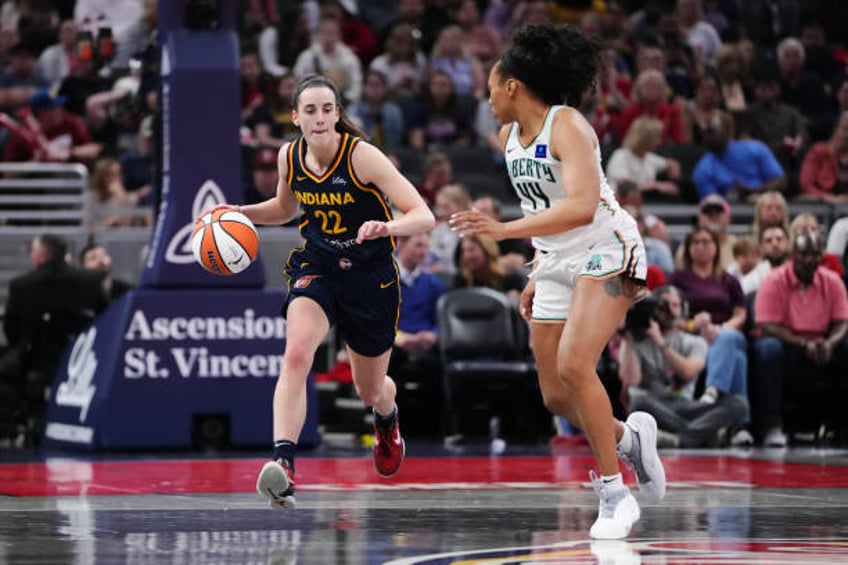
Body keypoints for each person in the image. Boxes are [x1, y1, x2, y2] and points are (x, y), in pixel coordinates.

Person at [448, 23, 666, 540]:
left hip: (606, 249)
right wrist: (537, 269)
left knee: (575, 364)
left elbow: (581, 205)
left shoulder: (567, 125)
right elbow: (541, 209)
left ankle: (615, 493)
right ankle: (630, 441)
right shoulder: (508, 138)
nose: (488, 103)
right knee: (553, 394)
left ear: (511, 86)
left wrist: (503, 230)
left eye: (490, 91)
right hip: (556, 258)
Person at [218, 75, 435, 509]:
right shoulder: (289, 156)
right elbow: (285, 208)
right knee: (297, 352)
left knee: (370, 391)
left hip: (370, 277)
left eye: (327, 109)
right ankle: (284, 463)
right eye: (310, 111)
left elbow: (424, 215)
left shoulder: (362, 158)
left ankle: (387, 420)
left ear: (337, 114)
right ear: (295, 117)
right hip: (317, 265)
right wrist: (238, 213)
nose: (319, 118)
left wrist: (388, 226)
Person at [2, 234, 108, 445]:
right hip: (83, 363)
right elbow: (105, 319)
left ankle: (9, 431)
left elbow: (11, 329)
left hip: (35, 361)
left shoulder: (22, 285)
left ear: (41, 256)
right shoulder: (91, 281)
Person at [618, 285, 749, 448]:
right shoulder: (636, 341)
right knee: (637, 400)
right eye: (663, 305)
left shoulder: (695, 342)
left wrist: (660, 342)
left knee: (739, 404)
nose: (668, 311)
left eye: (674, 305)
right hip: (655, 405)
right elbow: (631, 380)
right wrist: (628, 337)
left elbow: (688, 372)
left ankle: (679, 440)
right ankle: (704, 435)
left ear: (683, 309)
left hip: (686, 405)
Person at [753, 228, 848, 447]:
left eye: (814, 254)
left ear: (821, 256)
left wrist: (830, 343)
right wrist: (803, 344)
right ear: (793, 255)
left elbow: (843, 321)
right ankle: (772, 426)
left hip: (823, 343)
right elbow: (766, 324)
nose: (809, 260)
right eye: (804, 254)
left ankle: (841, 427)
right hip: (787, 343)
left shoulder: (832, 281)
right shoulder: (773, 280)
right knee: (768, 349)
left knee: (845, 348)